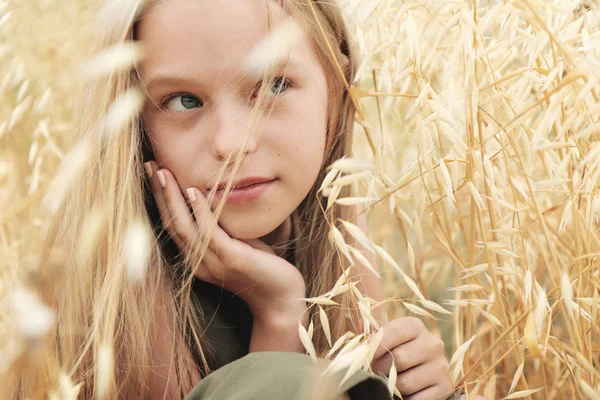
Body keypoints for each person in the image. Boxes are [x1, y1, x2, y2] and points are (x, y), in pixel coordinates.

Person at [22, 0, 486, 399]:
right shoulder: (111, 287)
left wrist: (424, 389)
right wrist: (280, 314)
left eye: (273, 86)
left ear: (338, 84)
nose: (230, 143)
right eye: (184, 100)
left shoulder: (335, 228)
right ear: (135, 123)